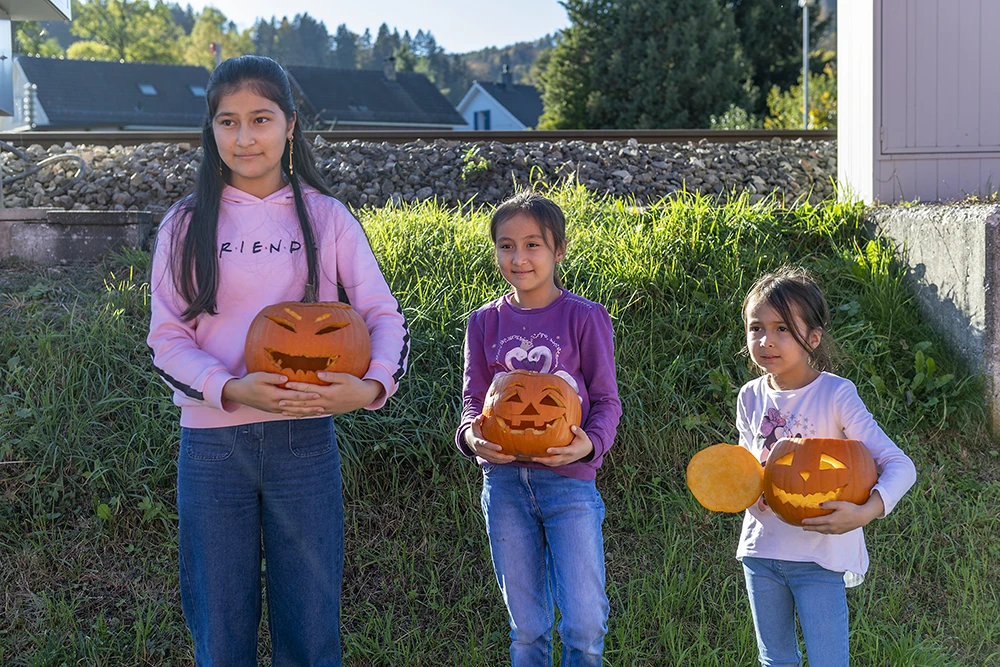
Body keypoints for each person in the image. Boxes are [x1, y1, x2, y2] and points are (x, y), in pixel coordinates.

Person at [147, 55, 408, 666]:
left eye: (260, 119)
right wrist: (232, 388)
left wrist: (371, 389)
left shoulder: (326, 217)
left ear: (290, 125)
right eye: (228, 122)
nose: (244, 137)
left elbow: (382, 317)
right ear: (210, 131)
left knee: (311, 629)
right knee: (221, 628)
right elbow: (166, 340)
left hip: (305, 443)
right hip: (213, 449)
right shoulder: (185, 225)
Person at [456, 191, 622, 666]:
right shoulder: (484, 322)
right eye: (506, 246)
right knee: (527, 629)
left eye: (533, 245)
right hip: (504, 484)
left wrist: (589, 444)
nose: (519, 257)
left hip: (570, 485)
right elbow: (473, 401)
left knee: (585, 624)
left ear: (559, 250)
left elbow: (607, 400)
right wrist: (472, 439)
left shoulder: (584, 317)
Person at [736, 266, 916, 667]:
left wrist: (865, 512)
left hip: (820, 557)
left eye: (782, 328)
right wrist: (740, 492)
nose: (766, 340)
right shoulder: (749, 396)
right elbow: (746, 469)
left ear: (813, 338)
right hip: (760, 552)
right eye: (756, 328)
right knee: (775, 661)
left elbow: (899, 465)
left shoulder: (836, 393)